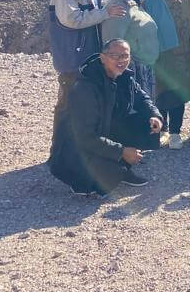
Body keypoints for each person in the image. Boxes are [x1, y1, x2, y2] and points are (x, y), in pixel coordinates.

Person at [48, 39, 163, 194]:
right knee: (96, 185)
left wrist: (155, 115)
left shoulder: (124, 76)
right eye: (115, 56)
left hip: (102, 130)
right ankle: (81, 176)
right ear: (102, 58)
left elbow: (142, 98)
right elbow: (85, 137)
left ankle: (120, 168)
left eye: (125, 56)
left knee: (144, 121)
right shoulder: (85, 87)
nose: (121, 60)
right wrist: (121, 151)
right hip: (73, 147)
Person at [48, 0, 126, 135]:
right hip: (72, 55)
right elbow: (71, 19)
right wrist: (105, 13)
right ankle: (59, 150)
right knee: (67, 104)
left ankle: (76, 149)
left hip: (86, 54)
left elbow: (93, 11)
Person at [144, 0, 190, 150]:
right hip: (159, 57)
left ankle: (176, 133)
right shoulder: (148, 4)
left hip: (182, 57)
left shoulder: (184, 1)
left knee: (178, 93)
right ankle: (163, 130)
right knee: (160, 93)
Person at [100, 0, 159, 100]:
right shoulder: (119, 7)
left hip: (143, 67)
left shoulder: (132, 3)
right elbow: (112, 42)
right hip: (132, 70)